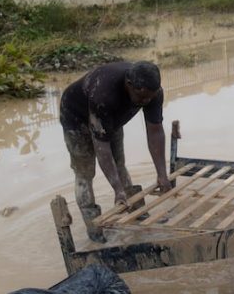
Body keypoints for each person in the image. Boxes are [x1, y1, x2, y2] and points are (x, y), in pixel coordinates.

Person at [60, 61, 172, 243]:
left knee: (120, 164)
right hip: (76, 118)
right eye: (141, 97)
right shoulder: (104, 94)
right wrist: (117, 189)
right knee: (85, 173)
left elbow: (155, 131)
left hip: (111, 118)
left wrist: (162, 174)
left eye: (149, 98)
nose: (145, 102)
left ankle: (137, 213)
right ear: (129, 85)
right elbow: (101, 146)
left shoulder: (153, 92)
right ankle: (94, 230)